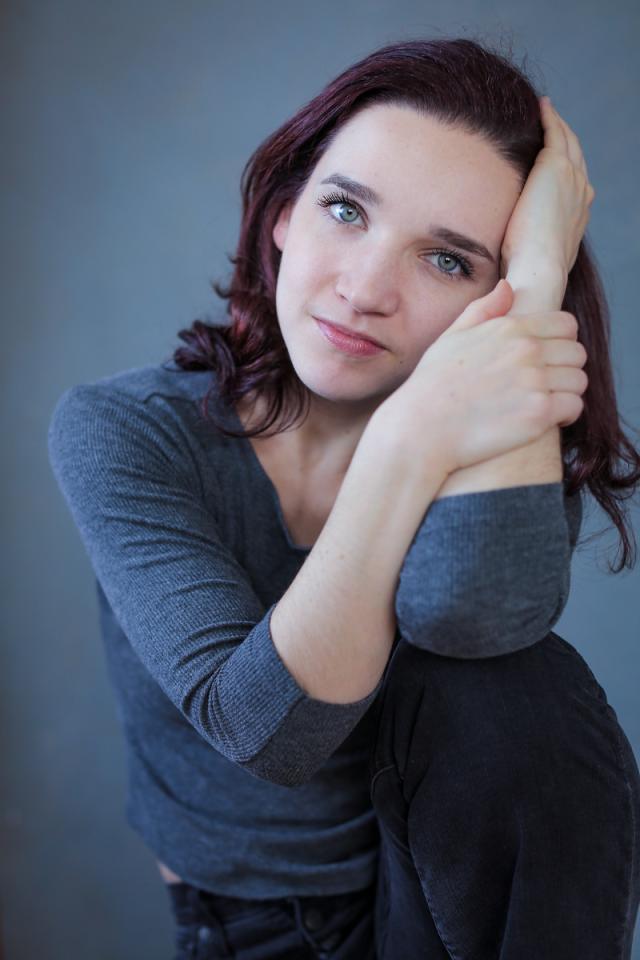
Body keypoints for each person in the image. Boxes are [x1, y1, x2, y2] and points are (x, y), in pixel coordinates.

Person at [47, 36, 640, 960]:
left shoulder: (489, 427)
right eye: (345, 209)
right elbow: (267, 736)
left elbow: (476, 624)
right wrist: (406, 446)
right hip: (255, 928)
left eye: (449, 262)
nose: (365, 291)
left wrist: (535, 288)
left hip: (449, 899)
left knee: (523, 686)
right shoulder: (123, 431)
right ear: (284, 213)